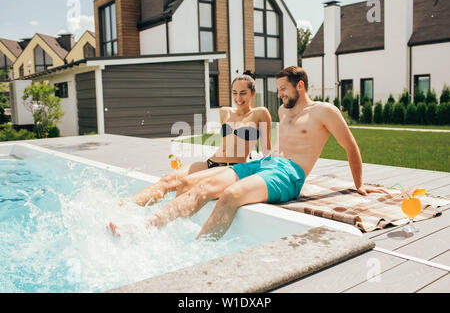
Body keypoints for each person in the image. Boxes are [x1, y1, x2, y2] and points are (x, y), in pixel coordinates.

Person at [111, 66, 387, 239]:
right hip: (266, 163)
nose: (279, 94)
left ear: (299, 86)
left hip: (290, 174)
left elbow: (350, 146)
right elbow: (273, 145)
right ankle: (144, 227)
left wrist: (359, 185)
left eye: (283, 88)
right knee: (204, 187)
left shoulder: (325, 111)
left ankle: (198, 255)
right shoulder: (283, 110)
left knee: (231, 195)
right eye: (278, 89)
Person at [125, 71, 272, 207]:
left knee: (186, 183)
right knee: (167, 180)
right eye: (234, 93)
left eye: (243, 93)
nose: (238, 98)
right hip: (211, 162)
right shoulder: (225, 112)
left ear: (253, 93)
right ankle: (126, 206)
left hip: (231, 168)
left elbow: (267, 150)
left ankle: (160, 222)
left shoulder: (260, 113)